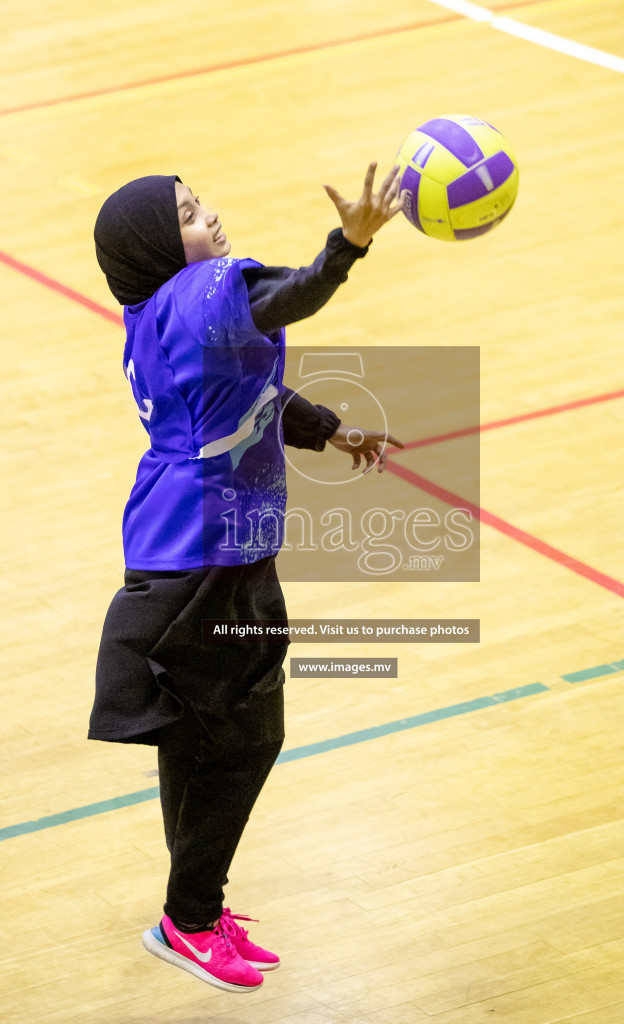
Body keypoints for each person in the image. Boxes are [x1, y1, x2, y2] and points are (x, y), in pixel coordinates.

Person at [88, 163, 406, 993]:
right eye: (188, 215)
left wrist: (327, 431)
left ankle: (188, 913)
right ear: (161, 247)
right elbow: (282, 299)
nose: (211, 219)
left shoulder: (154, 314)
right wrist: (347, 248)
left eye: (201, 203)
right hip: (205, 565)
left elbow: (247, 386)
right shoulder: (202, 295)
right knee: (244, 742)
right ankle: (189, 920)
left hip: (184, 554)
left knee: (199, 742)